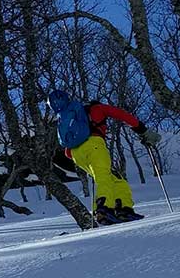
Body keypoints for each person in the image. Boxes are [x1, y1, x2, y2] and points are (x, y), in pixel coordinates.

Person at [46, 89, 160, 225]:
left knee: (116, 179)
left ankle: (123, 209)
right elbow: (121, 114)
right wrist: (142, 130)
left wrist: (81, 153)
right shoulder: (97, 108)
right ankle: (104, 210)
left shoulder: (72, 116)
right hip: (95, 145)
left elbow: (67, 153)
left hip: (77, 154)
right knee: (103, 177)